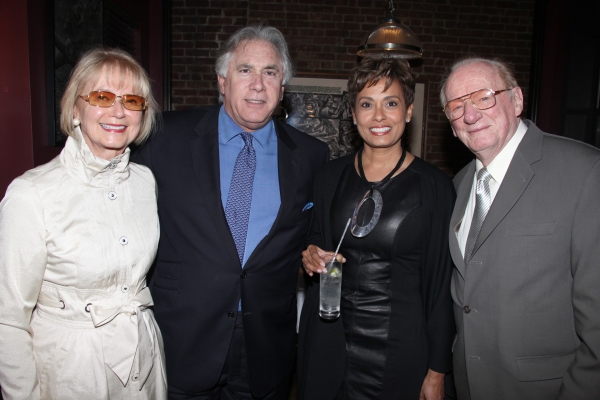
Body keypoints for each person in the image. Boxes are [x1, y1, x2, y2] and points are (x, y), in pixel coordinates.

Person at [132, 25, 329, 399]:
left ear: (282, 87)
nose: (258, 84)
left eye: (270, 72)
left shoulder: (310, 157)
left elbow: (313, 235)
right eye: (245, 70)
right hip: (183, 340)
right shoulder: (162, 137)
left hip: (266, 346)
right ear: (222, 81)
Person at [0, 48, 166, 399]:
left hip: (144, 357)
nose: (118, 112)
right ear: (76, 108)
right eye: (102, 97)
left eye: (132, 100)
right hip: (71, 368)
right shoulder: (32, 193)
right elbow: (8, 319)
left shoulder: (144, 181)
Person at [441, 56, 600, 399]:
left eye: (484, 97)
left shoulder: (584, 172)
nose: (470, 115)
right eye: (456, 106)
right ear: (452, 125)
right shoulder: (459, 185)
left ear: (516, 100)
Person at [298, 57, 456, 400]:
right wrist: (309, 254)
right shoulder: (328, 178)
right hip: (329, 343)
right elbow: (313, 238)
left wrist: (438, 369)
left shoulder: (435, 188)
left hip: (401, 353)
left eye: (392, 103)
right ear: (354, 115)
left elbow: (444, 285)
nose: (379, 116)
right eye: (367, 104)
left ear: (409, 111)